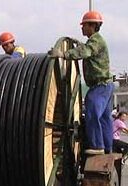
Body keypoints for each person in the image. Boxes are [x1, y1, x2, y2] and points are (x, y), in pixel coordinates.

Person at [49, 11, 114, 155]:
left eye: (84, 25)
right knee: (104, 118)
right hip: (106, 85)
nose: (82, 28)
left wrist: (63, 54)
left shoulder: (96, 41)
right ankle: (108, 148)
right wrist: (78, 44)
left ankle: (97, 146)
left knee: (92, 109)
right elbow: (86, 49)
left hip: (100, 86)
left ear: (92, 25)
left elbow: (86, 51)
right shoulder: (95, 41)